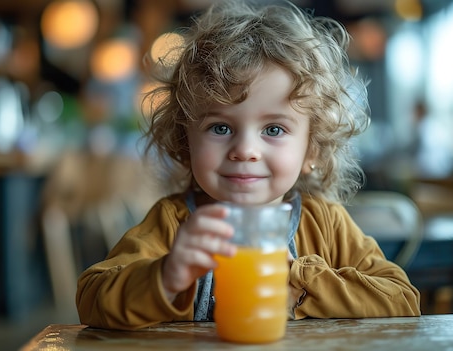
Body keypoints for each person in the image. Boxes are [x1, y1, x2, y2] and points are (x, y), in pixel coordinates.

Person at [76, 0, 421, 330]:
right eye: (220, 128)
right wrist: (165, 276)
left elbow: (402, 299)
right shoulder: (173, 224)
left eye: (273, 129)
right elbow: (91, 297)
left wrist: (299, 281)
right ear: (186, 142)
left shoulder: (326, 225)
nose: (245, 150)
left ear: (311, 150)